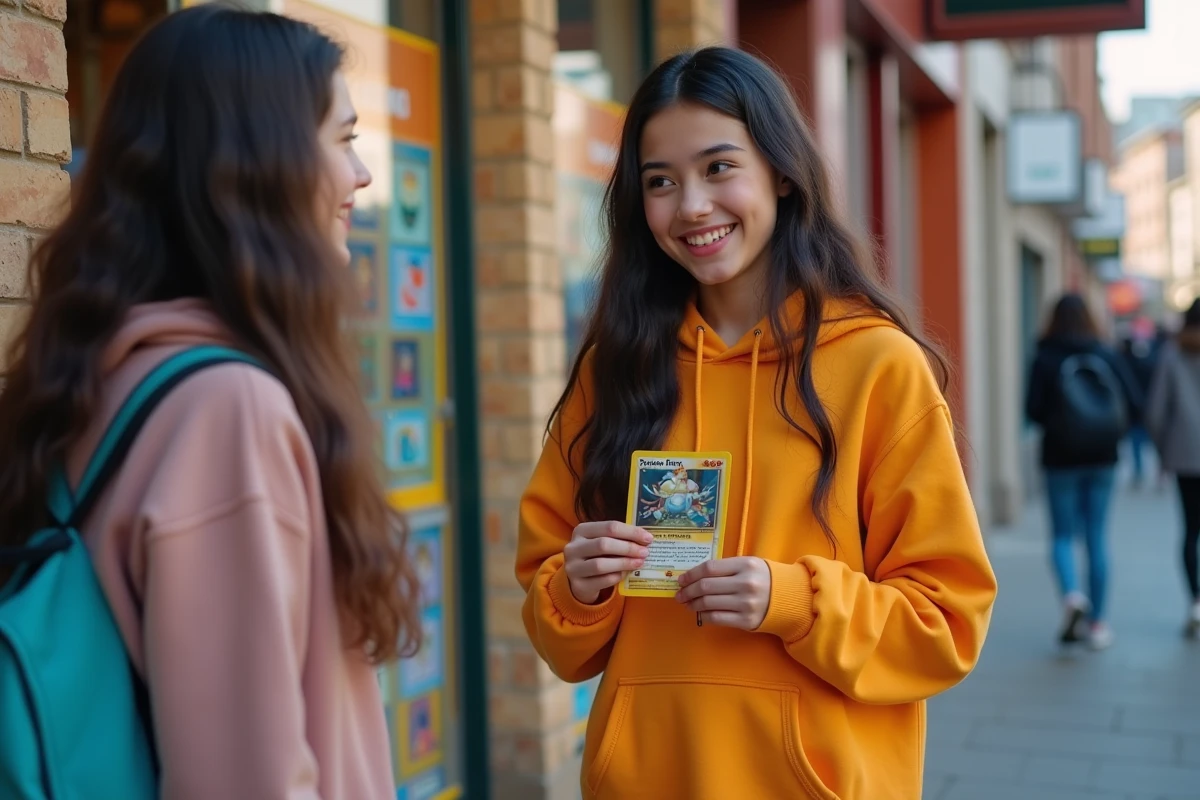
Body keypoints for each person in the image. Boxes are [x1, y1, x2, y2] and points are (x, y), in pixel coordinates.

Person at [515, 47, 997, 800]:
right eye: (660, 182)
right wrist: (578, 588)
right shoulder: (616, 371)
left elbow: (946, 625)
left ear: (779, 171)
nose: (692, 206)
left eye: (718, 168)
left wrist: (794, 601)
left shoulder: (877, 367)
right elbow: (558, 633)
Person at [0, 6, 420, 797]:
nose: (362, 177)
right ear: (260, 163)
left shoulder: (96, 372)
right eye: (345, 139)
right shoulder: (230, 410)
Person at [1025, 293, 1142, 650]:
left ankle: (1073, 596)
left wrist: (1062, 424)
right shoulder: (1104, 353)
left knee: (1062, 535)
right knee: (1096, 536)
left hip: (1060, 458)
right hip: (1103, 457)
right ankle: (1097, 625)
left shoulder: (1045, 356)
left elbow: (1032, 410)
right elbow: (1134, 403)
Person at [1145, 299, 1200, 638]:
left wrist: (1164, 452)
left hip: (1185, 455)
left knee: (1191, 530)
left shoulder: (1172, 354)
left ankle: (1195, 601)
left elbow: (1154, 411)